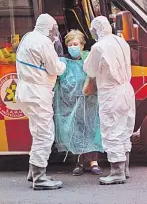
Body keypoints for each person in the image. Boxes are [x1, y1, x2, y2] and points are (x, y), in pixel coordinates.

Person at [16, 13, 66, 190]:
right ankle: (40, 178)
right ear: (48, 27)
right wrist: (63, 64)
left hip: (25, 92)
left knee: (37, 132)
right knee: (45, 134)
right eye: (54, 29)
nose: (55, 33)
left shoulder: (28, 37)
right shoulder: (44, 42)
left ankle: (33, 172)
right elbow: (54, 68)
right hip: (38, 93)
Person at [83, 16, 135, 185]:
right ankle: (125, 168)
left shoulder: (99, 47)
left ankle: (117, 172)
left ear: (96, 30)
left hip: (111, 93)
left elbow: (89, 68)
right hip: (127, 89)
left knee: (111, 130)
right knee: (124, 129)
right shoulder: (121, 42)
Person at [53, 30, 103, 176]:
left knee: (92, 129)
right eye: (70, 44)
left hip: (90, 101)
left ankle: (93, 162)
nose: (72, 47)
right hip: (70, 104)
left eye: (75, 44)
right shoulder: (63, 63)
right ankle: (80, 163)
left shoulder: (89, 59)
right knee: (75, 131)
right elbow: (59, 82)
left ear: (82, 45)